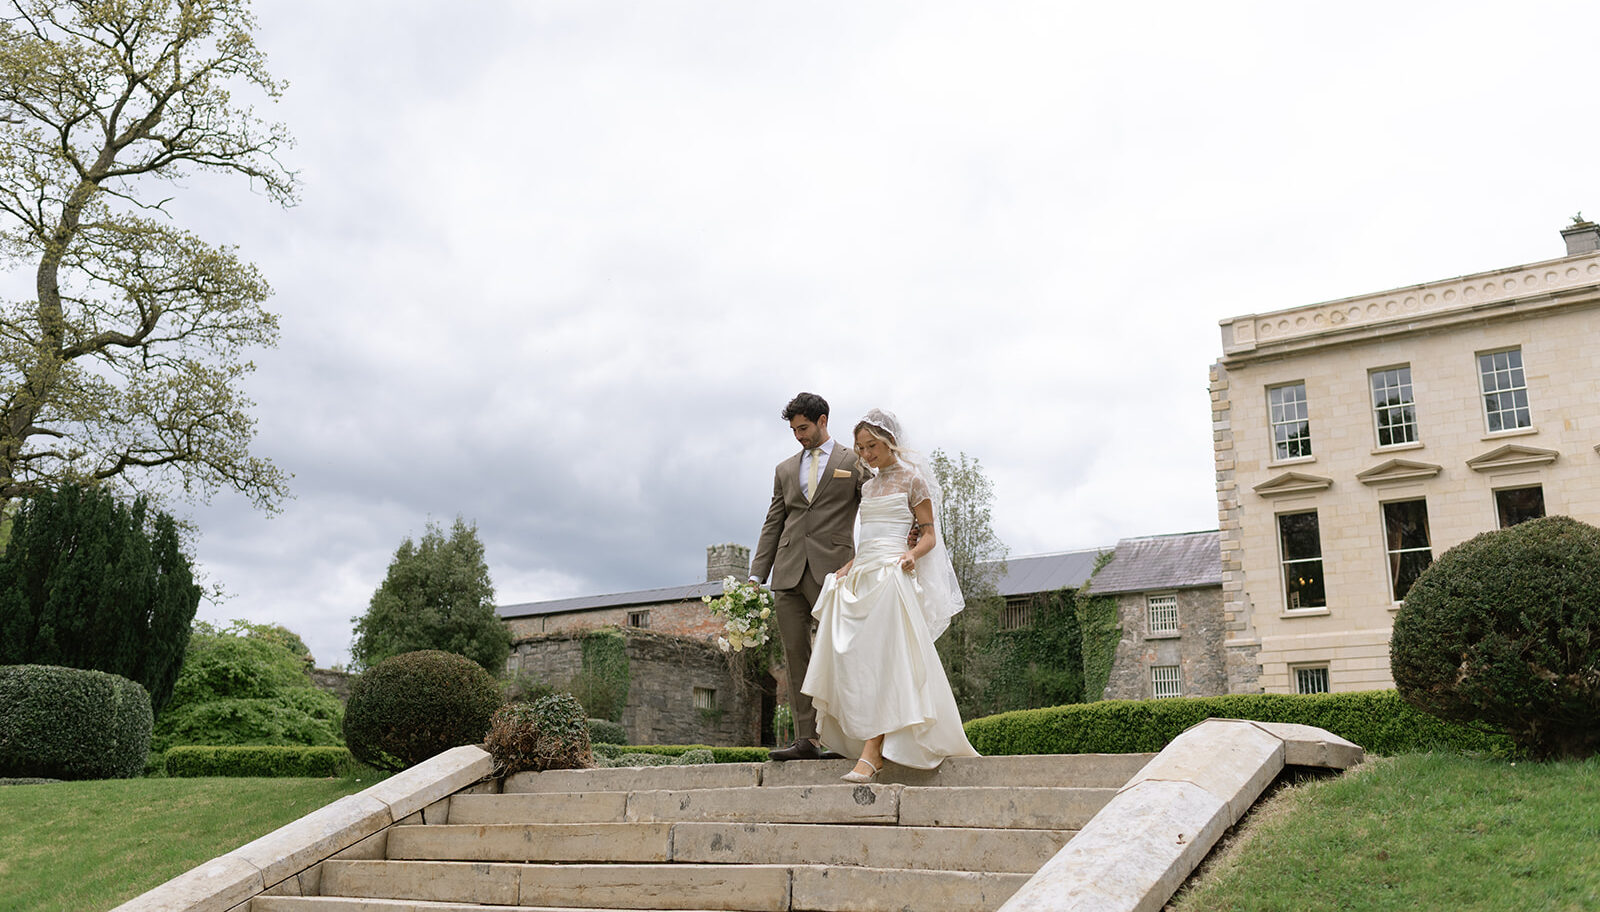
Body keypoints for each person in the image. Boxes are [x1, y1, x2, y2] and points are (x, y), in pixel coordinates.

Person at [802, 408, 979, 781]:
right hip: (862, 575)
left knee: (886, 663)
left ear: (889, 442)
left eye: (872, 447)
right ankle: (862, 743)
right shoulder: (867, 486)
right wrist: (846, 568)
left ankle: (872, 753)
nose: (866, 455)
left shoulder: (913, 481)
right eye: (860, 448)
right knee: (857, 663)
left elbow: (929, 534)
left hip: (893, 576)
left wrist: (911, 554)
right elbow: (866, 539)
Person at [749, 392, 867, 761]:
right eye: (794, 430)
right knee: (795, 655)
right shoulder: (784, 470)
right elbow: (774, 523)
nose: (799, 436)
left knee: (839, 654)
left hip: (835, 573)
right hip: (787, 572)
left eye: (804, 428)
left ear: (822, 421)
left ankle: (847, 739)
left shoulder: (854, 461)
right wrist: (756, 576)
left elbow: (878, 502)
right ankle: (807, 740)